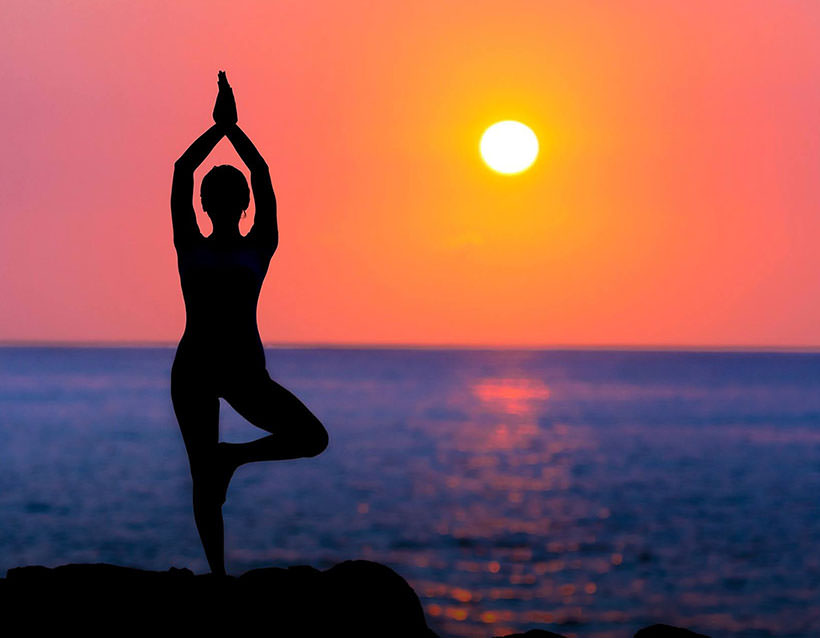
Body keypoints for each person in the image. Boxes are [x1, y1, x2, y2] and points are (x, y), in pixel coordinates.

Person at [170, 71, 329, 575]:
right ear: (242, 205)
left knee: (208, 472)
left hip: (218, 368)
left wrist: (219, 128)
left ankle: (229, 471)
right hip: (217, 368)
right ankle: (218, 571)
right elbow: (258, 173)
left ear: (207, 203)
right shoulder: (256, 247)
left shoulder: (195, 246)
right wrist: (232, 128)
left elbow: (182, 169)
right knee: (305, 440)